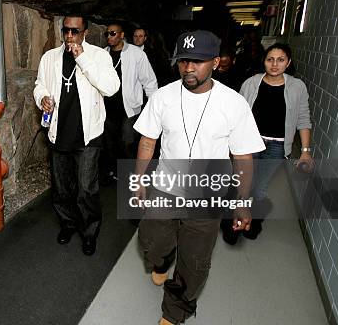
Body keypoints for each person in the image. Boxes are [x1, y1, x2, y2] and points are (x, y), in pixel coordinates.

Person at [132, 30, 265, 325]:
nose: (189, 68)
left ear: (215, 62)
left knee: (194, 263)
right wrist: (139, 179)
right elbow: (147, 142)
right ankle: (162, 259)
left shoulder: (233, 103)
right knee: (151, 240)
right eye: (183, 61)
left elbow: (242, 157)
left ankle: (174, 312)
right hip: (166, 187)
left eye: (198, 61)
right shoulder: (163, 97)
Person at [33, 15, 120, 256]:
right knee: (61, 188)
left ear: (86, 32)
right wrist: (42, 98)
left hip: (88, 135)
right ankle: (68, 224)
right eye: (66, 31)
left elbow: (111, 88)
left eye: (75, 31)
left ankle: (90, 232)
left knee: (86, 189)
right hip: (58, 132)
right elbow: (39, 84)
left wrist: (82, 58)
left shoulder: (99, 56)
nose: (69, 36)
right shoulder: (49, 57)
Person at [228, 42, 313, 241]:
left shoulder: (297, 87)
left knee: (259, 188)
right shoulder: (251, 83)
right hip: (248, 143)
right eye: (270, 59)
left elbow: (303, 118)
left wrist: (306, 151)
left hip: (276, 146)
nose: (275, 64)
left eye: (280, 60)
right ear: (264, 61)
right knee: (241, 184)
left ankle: (253, 222)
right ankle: (233, 223)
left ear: (288, 62)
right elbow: (236, 113)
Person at [101, 22, 157, 183]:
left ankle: (133, 174)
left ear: (122, 35)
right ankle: (114, 172)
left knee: (127, 142)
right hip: (108, 108)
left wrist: (153, 108)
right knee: (109, 143)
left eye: (113, 33)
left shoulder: (136, 54)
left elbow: (149, 81)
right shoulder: (103, 55)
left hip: (130, 108)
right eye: (107, 34)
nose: (109, 37)